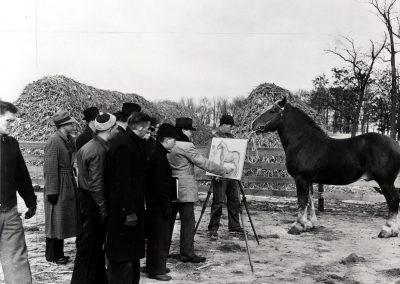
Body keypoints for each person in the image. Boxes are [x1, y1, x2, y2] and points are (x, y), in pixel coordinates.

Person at [167, 117, 233, 263]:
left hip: (170, 186)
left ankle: (164, 251)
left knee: (169, 220)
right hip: (185, 188)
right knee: (188, 221)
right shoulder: (186, 146)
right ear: (183, 130)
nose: (192, 133)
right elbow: (203, 163)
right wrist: (222, 170)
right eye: (190, 130)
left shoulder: (168, 144)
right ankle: (187, 253)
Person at [71, 113, 117, 284]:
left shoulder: (90, 145)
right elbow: (96, 185)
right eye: (116, 128)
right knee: (89, 248)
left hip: (87, 200)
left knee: (94, 246)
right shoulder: (99, 150)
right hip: (94, 204)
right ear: (110, 129)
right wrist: (103, 210)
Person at [106, 112, 151, 284]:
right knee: (122, 255)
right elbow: (121, 182)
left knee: (131, 255)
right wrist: (129, 211)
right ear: (139, 127)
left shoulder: (133, 142)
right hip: (124, 212)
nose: (149, 131)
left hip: (132, 207)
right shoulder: (124, 146)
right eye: (147, 128)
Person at [0, 101, 37, 284]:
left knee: (17, 263)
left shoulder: (11, 144)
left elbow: (21, 175)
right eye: (9, 121)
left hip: (9, 212)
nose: (12, 124)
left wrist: (31, 201)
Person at [43, 110, 79, 264]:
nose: (73, 125)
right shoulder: (54, 141)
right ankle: (52, 255)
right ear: (63, 125)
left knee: (61, 220)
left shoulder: (68, 139)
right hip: (58, 183)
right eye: (70, 123)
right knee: (54, 220)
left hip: (67, 181)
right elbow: (50, 168)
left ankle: (59, 253)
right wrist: (52, 191)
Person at [145, 123, 177, 281]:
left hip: (154, 203)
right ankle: (156, 270)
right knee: (159, 237)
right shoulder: (159, 157)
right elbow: (160, 186)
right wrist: (166, 206)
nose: (175, 143)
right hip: (158, 204)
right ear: (166, 139)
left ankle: (154, 265)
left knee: (155, 237)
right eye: (174, 140)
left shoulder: (158, 153)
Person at [208, 115, 243, 239]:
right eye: (229, 125)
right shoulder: (215, 137)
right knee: (218, 201)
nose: (231, 128)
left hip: (231, 176)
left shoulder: (231, 137)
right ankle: (213, 228)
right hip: (220, 175)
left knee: (234, 200)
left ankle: (234, 226)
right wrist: (215, 174)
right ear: (223, 124)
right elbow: (212, 156)